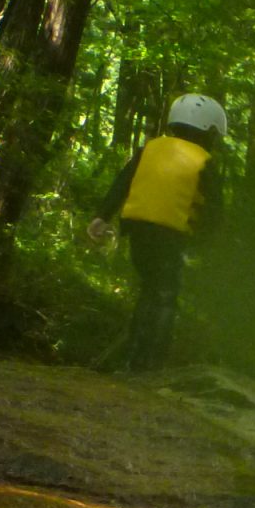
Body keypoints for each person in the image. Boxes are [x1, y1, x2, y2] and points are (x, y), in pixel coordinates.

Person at [87, 94, 227, 369]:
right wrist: (206, 242)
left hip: (137, 230)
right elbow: (215, 210)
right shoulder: (204, 160)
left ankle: (133, 358)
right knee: (165, 294)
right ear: (207, 129)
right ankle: (150, 364)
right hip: (171, 234)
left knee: (149, 290)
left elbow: (122, 182)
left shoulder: (150, 149)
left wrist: (101, 216)